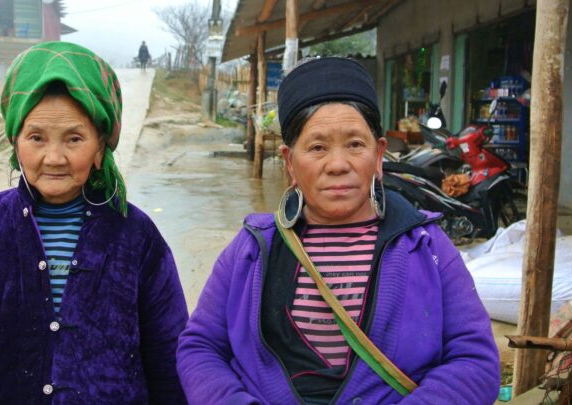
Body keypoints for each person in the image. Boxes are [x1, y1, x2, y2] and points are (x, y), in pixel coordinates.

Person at [176, 57, 500, 404]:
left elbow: (475, 361)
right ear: (290, 162)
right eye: (317, 147)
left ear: (378, 157)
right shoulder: (252, 248)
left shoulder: (425, 246)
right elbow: (200, 347)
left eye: (355, 144)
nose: (338, 164)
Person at [0, 41, 188, 404]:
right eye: (36, 138)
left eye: (74, 138)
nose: (55, 157)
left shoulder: (138, 238)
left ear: (99, 148)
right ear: (15, 143)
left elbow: (169, 354)